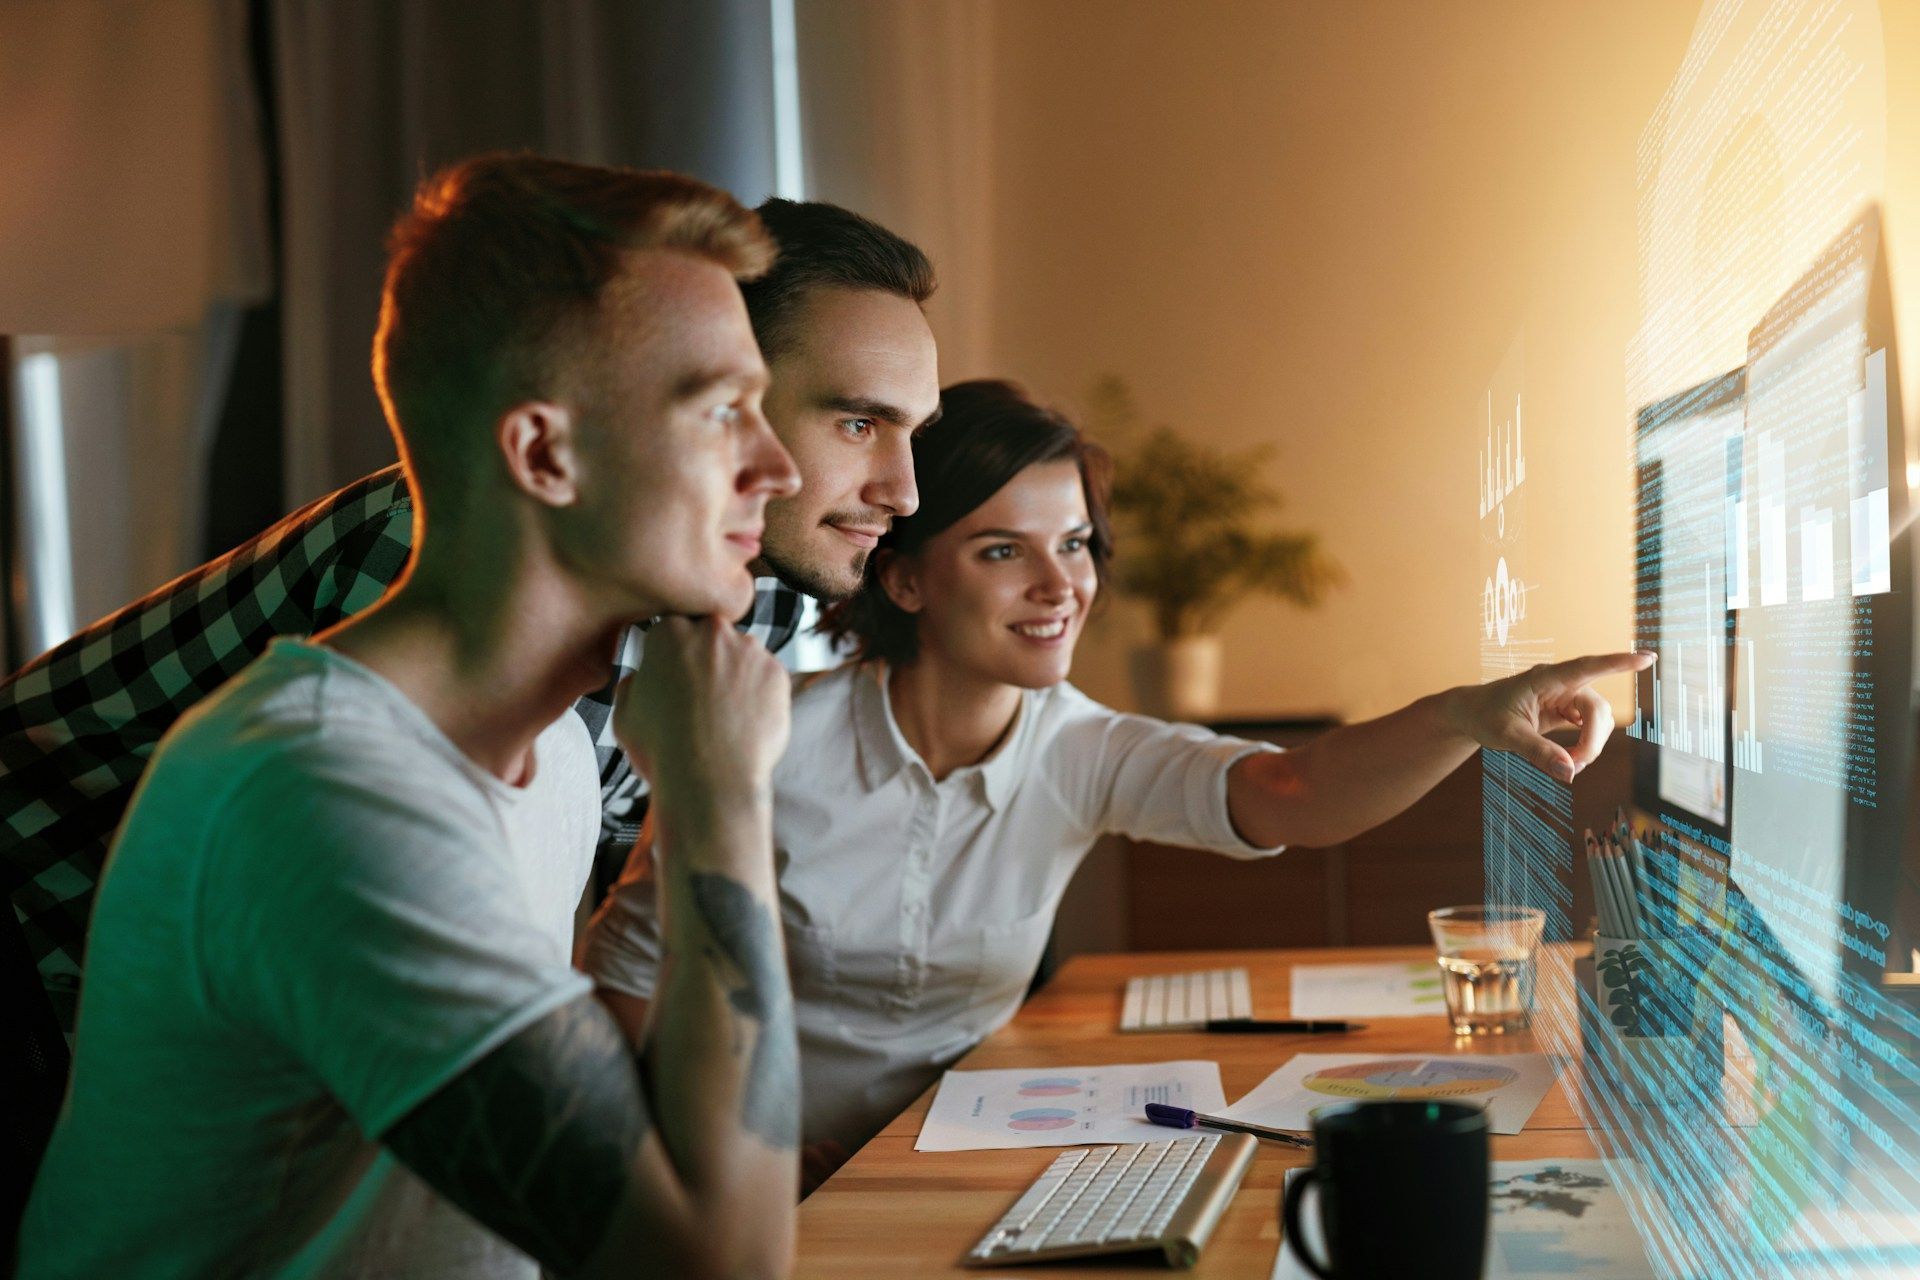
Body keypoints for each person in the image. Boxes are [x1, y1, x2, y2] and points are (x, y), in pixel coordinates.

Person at [19, 155, 804, 1278]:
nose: (774, 467)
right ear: (544, 451)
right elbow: (710, 1263)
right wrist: (722, 798)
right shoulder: (320, 787)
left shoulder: (558, 760)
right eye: (723, 411)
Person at [582, 379, 1654, 1156]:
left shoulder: (1077, 745)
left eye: (1078, 542)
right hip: (755, 1187)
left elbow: (1292, 791)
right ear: (903, 581)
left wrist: (1467, 712)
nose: (1060, 583)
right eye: (1003, 549)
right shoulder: (766, 738)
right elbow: (625, 991)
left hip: (950, 1151)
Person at [0, 198, 939, 1039]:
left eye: (913, 431)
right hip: (43, 894)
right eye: (858, 423)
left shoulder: (758, 590)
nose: (903, 491)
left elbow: (589, 900)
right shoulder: (441, 556)